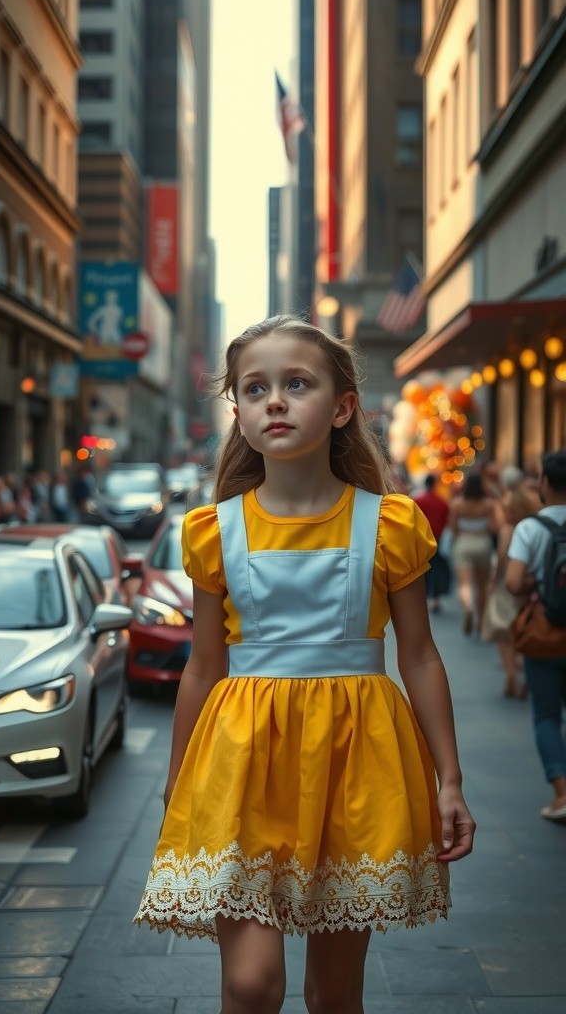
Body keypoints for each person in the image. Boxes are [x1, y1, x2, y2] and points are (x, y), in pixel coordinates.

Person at [133, 316, 475, 1014]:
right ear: (239, 412)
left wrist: (451, 780)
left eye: (297, 383)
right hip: (242, 762)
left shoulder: (389, 524)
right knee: (252, 985)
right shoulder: (213, 530)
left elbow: (420, 655)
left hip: (358, 761)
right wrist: (179, 781)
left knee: (333, 994)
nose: (276, 401)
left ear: (343, 405)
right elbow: (202, 668)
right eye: (255, 388)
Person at [506, 450, 566, 821]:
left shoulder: (529, 528)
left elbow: (514, 583)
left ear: (544, 483)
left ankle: (561, 793)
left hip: (545, 635)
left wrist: (537, 581)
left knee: (546, 715)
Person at [482, 483, 541, 698]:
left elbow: (502, 556)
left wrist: (494, 579)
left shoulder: (508, 529)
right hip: (527, 585)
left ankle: (509, 672)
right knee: (522, 629)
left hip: (507, 584)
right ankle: (524, 674)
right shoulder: (533, 527)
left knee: (504, 632)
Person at [449, 471, 498, 636]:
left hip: (464, 543)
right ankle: (480, 622)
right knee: (482, 586)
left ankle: (469, 608)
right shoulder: (489, 504)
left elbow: (453, 527)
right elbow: (493, 527)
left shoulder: (457, 504)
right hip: (483, 543)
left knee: (465, 584)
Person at [414, 473, 450, 613]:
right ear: (434, 484)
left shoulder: (417, 501)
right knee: (436, 569)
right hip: (437, 540)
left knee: (421, 569)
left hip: (420, 540)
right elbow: (445, 521)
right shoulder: (442, 502)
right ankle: (435, 599)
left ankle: (422, 598)